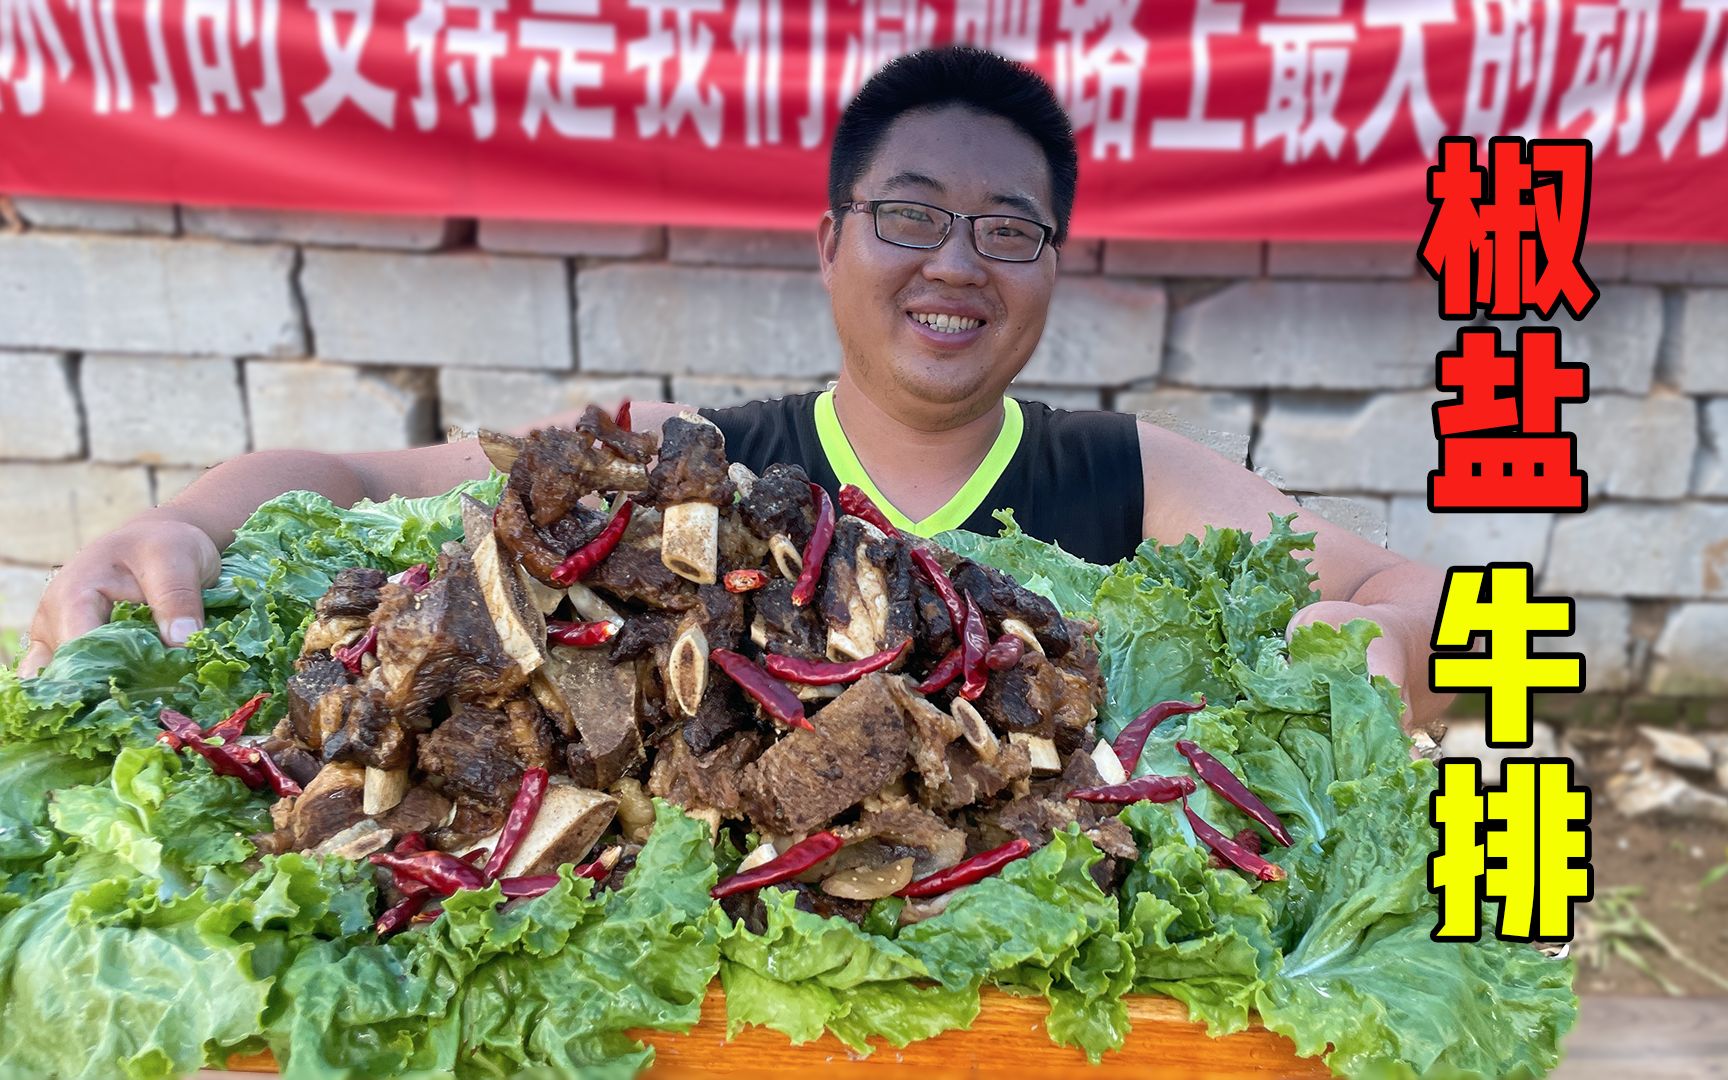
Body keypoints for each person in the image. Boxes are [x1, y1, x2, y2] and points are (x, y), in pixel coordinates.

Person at [21, 46, 1448, 731]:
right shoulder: (699, 468)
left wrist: (1366, 638)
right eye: (908, 214)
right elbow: (362, 482)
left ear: (1054, 268)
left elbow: (1403, 589)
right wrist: (201, 520)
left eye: (1009, 229)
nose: (958, 263)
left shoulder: (1125, 473)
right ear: (828, 245)